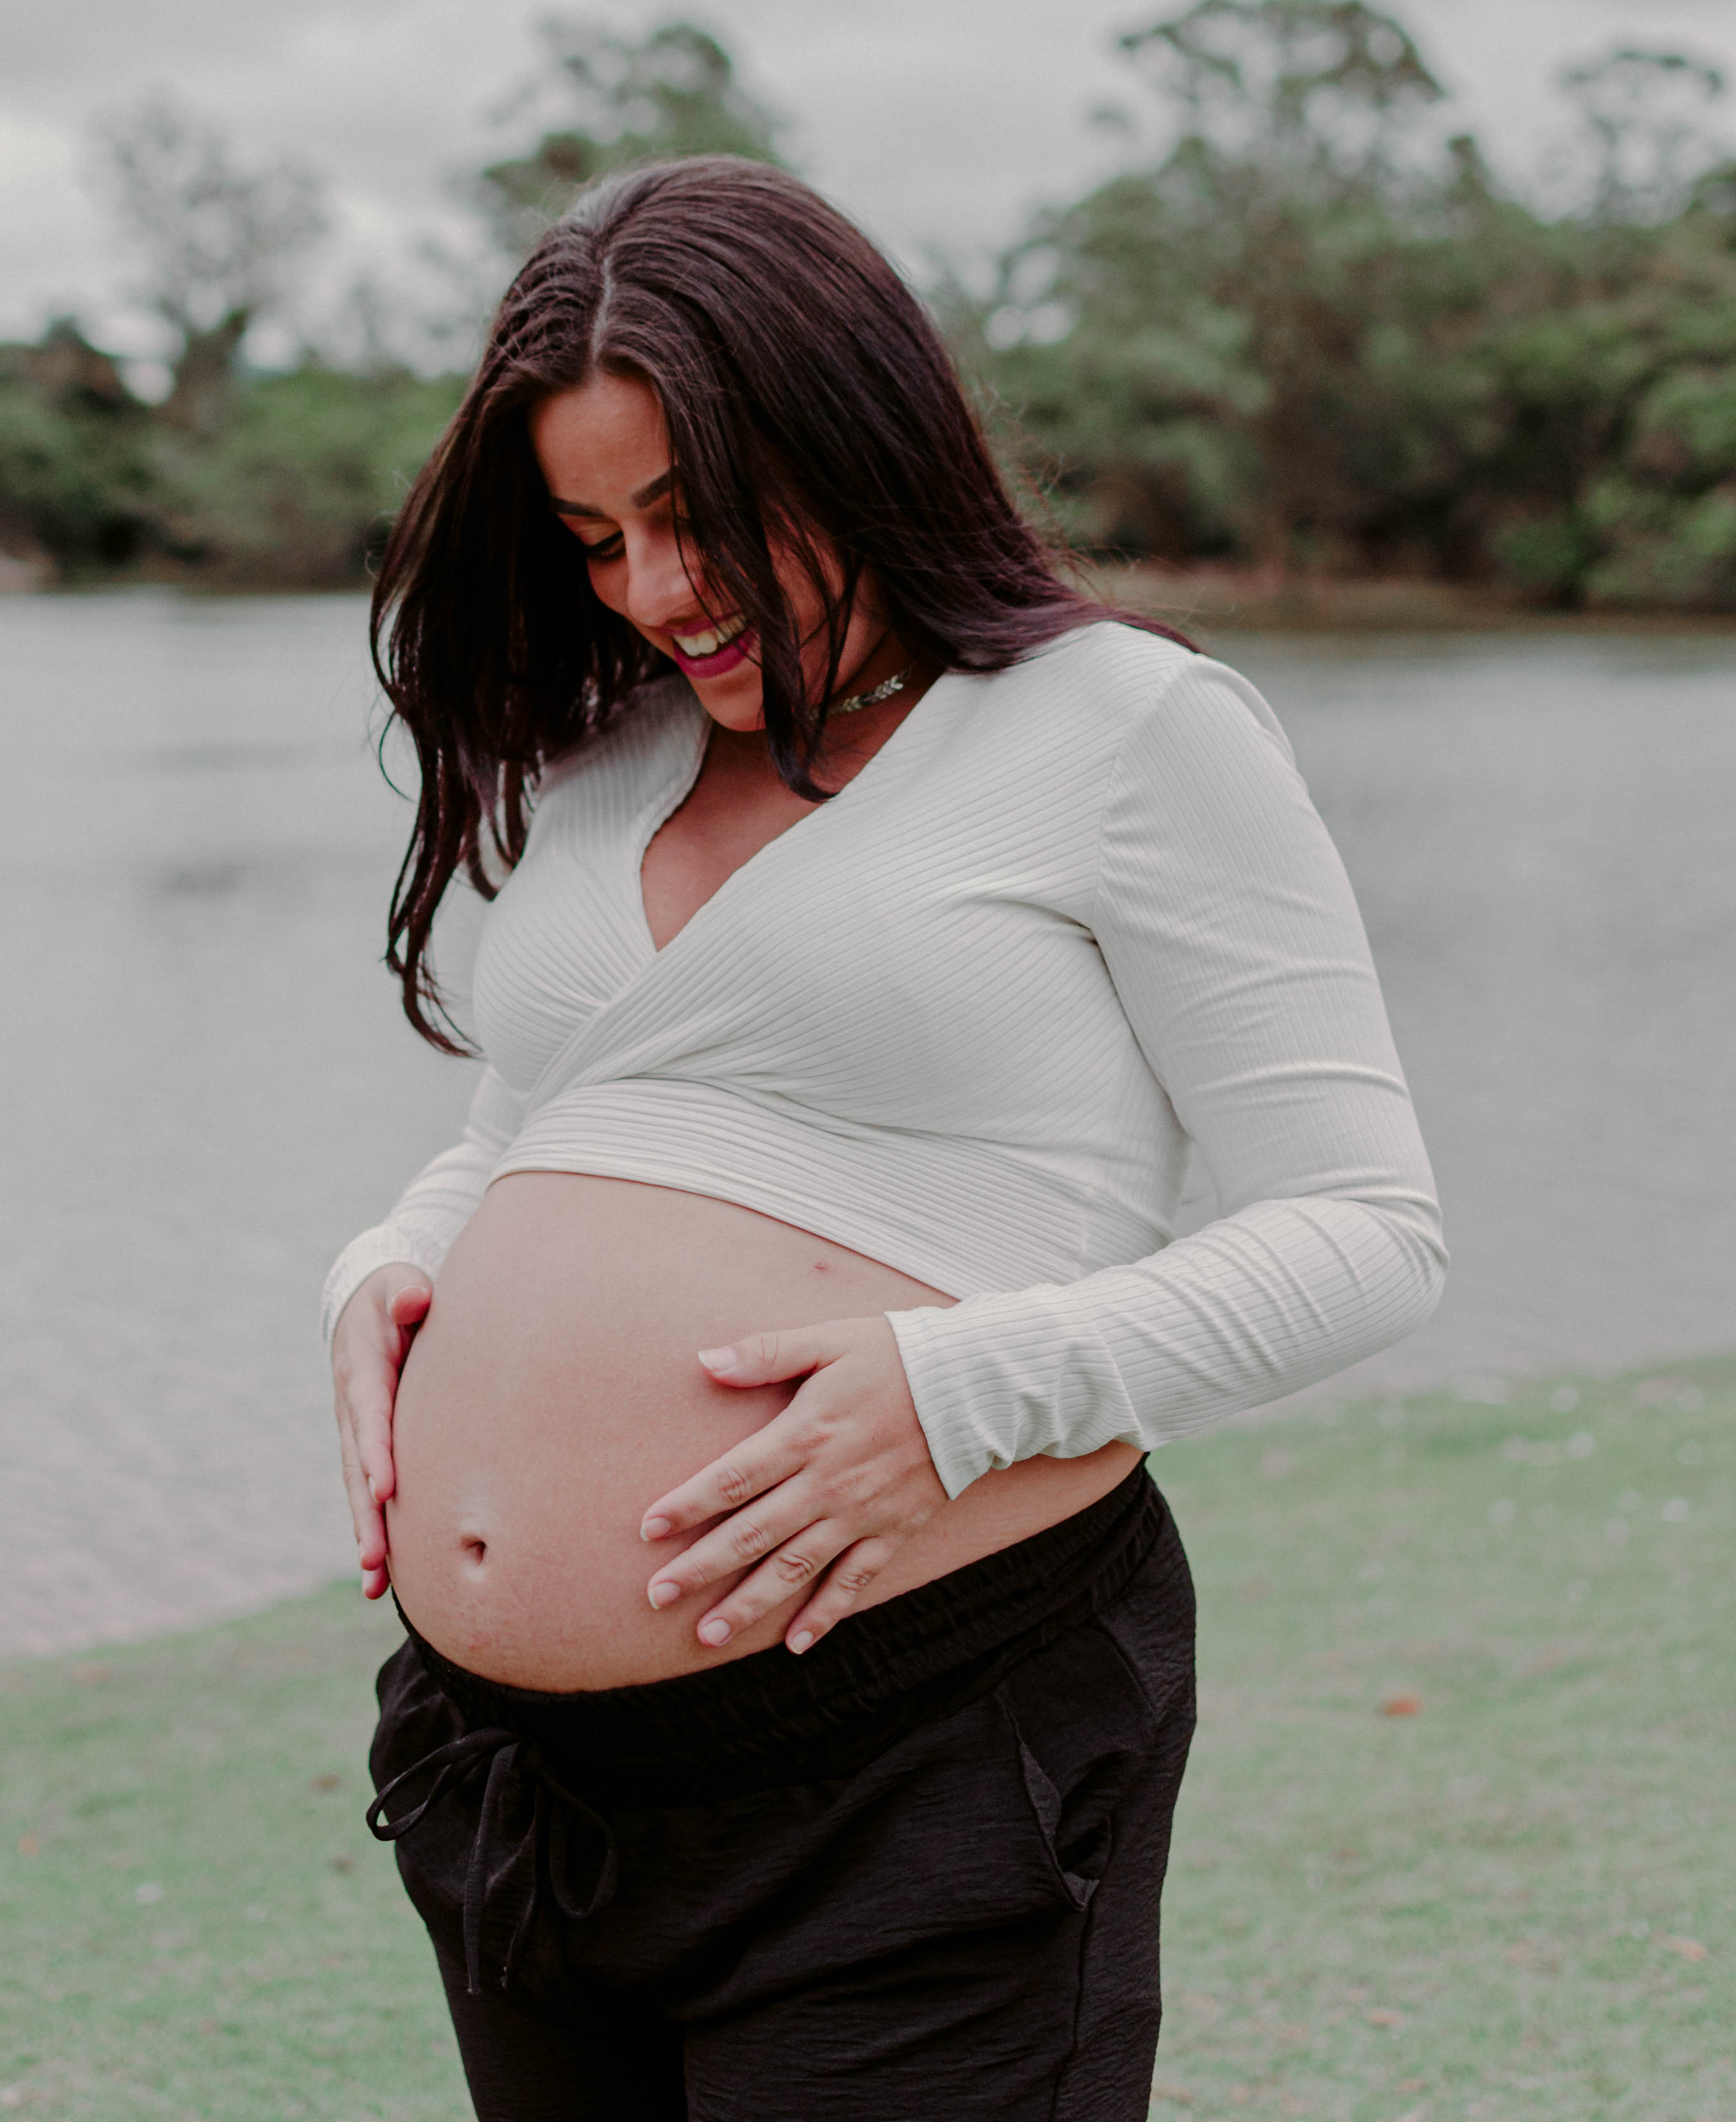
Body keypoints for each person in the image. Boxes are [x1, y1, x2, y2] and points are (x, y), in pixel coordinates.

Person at [325, 155, 1444, 2121]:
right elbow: (531, 1121)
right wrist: (388, 1272)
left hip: (918, 1741)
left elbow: (1364, 1228)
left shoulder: (1124, 731)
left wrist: (960, 1389)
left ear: (863, 438)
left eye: (695, 518)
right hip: (515, 1783)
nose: (655, 595)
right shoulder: (615, 760)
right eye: (593, 537)